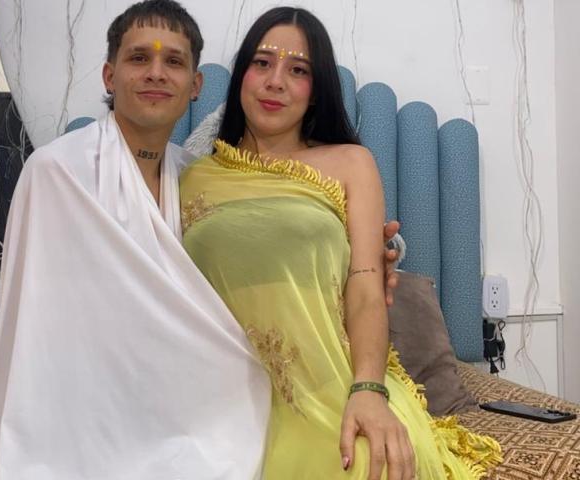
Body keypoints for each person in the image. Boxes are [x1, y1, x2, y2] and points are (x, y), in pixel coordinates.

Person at [179, 6, 502, 480]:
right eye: (262, 63)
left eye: (298, 70)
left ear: (317, 91)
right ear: (241, 73)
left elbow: (367, 288)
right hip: (220, 397)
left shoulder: (351, 163)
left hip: (336, 381)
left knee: (367, 464)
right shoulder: (188, 177)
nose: (275, 82)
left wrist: (368, 390)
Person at [0, 2, 273, 479]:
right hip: (82, 416)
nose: (156, 73)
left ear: (195, 85)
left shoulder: (199, 182)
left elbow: (250, 276)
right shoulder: (56, 172)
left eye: (173, 61)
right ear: (110, 76)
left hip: (187, 410)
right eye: (139, 58)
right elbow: (38, 329)